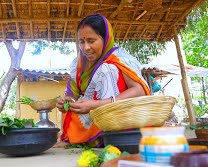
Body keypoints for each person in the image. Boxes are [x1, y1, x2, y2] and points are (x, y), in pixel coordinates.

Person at [55, 14, 150, 147]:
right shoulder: (78, 64)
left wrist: (95, 104)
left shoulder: (119, 58)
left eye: (91, 41)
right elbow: (73, 96)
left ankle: (110, 137)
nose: (86, 47)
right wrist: (66, 102)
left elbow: (140, 91)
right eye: (81, 42)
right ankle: (86, 138)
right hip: (89, 119)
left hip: (120, 119)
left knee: (107, 69)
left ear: (105, 39)